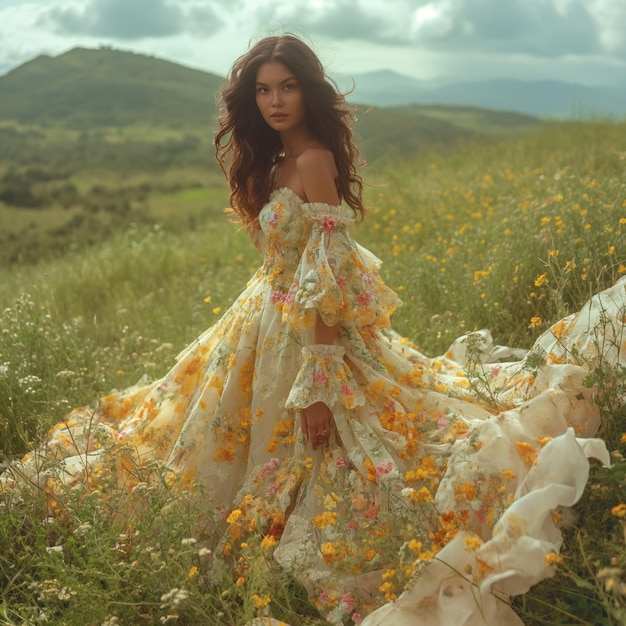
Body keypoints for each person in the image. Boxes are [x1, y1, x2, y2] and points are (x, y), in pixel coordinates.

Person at [4, 34, 625, 626]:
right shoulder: (271, 160)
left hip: (308, 335)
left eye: (288, 87)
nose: (275, 101)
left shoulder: (314, 160)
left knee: (347, 449)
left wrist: (320, 382)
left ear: (309, 92)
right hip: (259, 322)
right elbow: (279, 258)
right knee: (192, 433)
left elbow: (328, 277)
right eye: (264, 90)